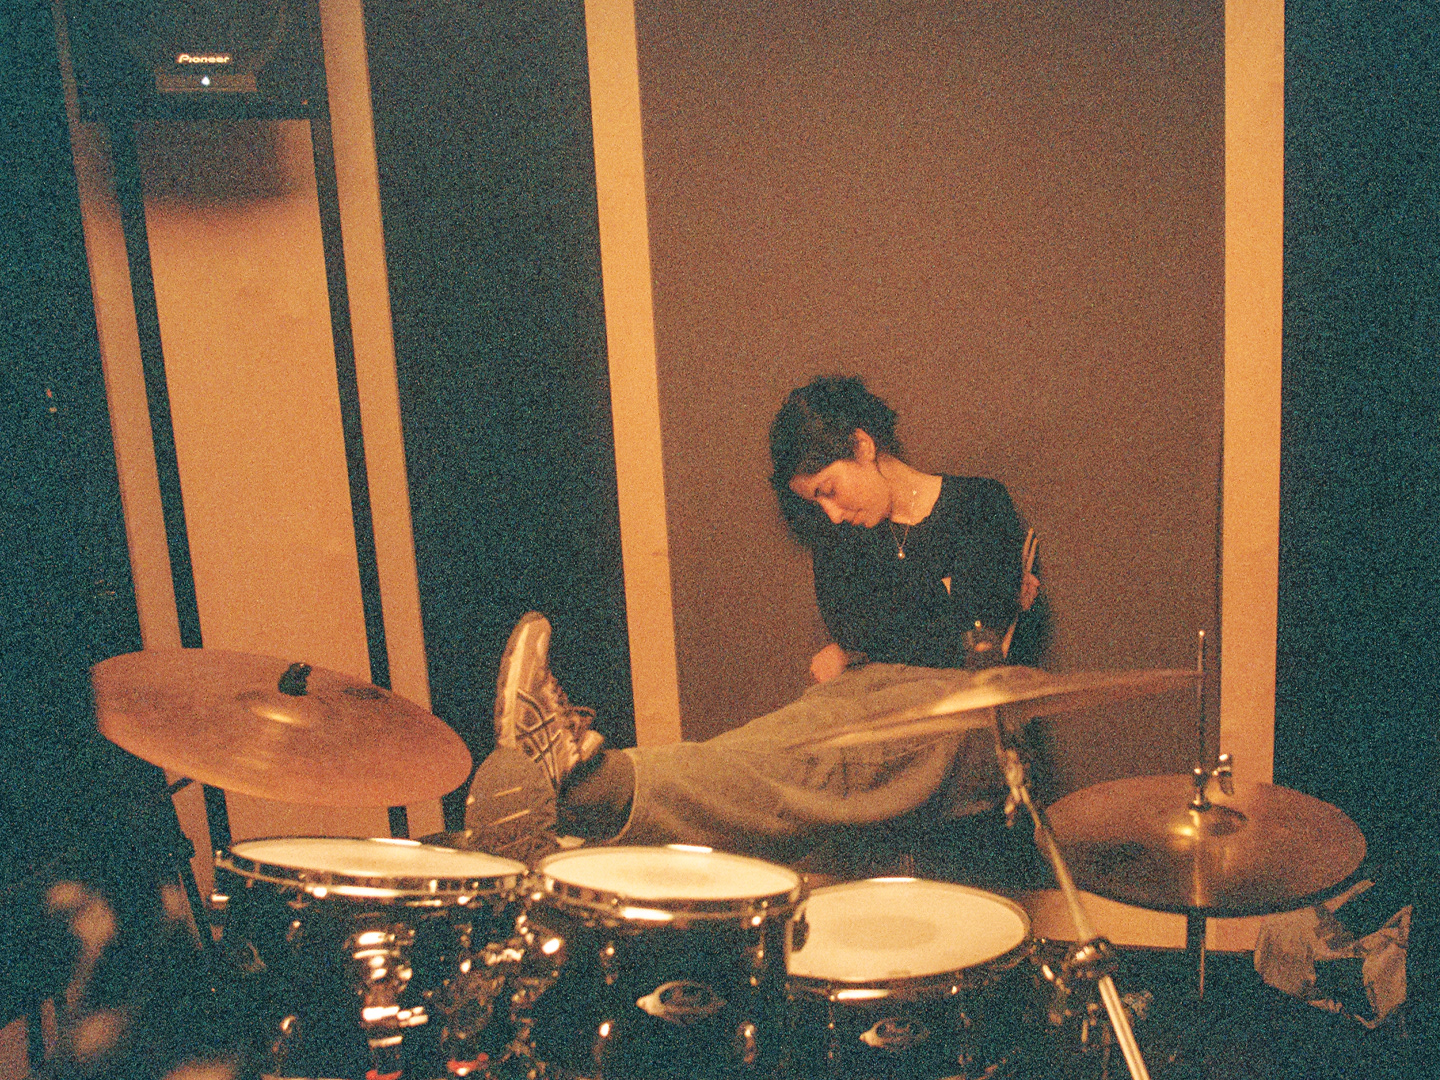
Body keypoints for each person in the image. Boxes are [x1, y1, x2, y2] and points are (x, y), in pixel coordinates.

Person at [463, 376, 1043, 873]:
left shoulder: (978, 502)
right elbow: (869, 632)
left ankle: (589, 786)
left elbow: (972, 641)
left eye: (828, 490)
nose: (830, 514)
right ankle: (582, 788)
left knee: (818, 762)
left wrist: (881, 642)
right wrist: (936, 602)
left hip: (960, 713)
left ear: (863, 446)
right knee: (765, 750)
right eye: (816, 503)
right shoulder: (841, 539)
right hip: (869, 692)